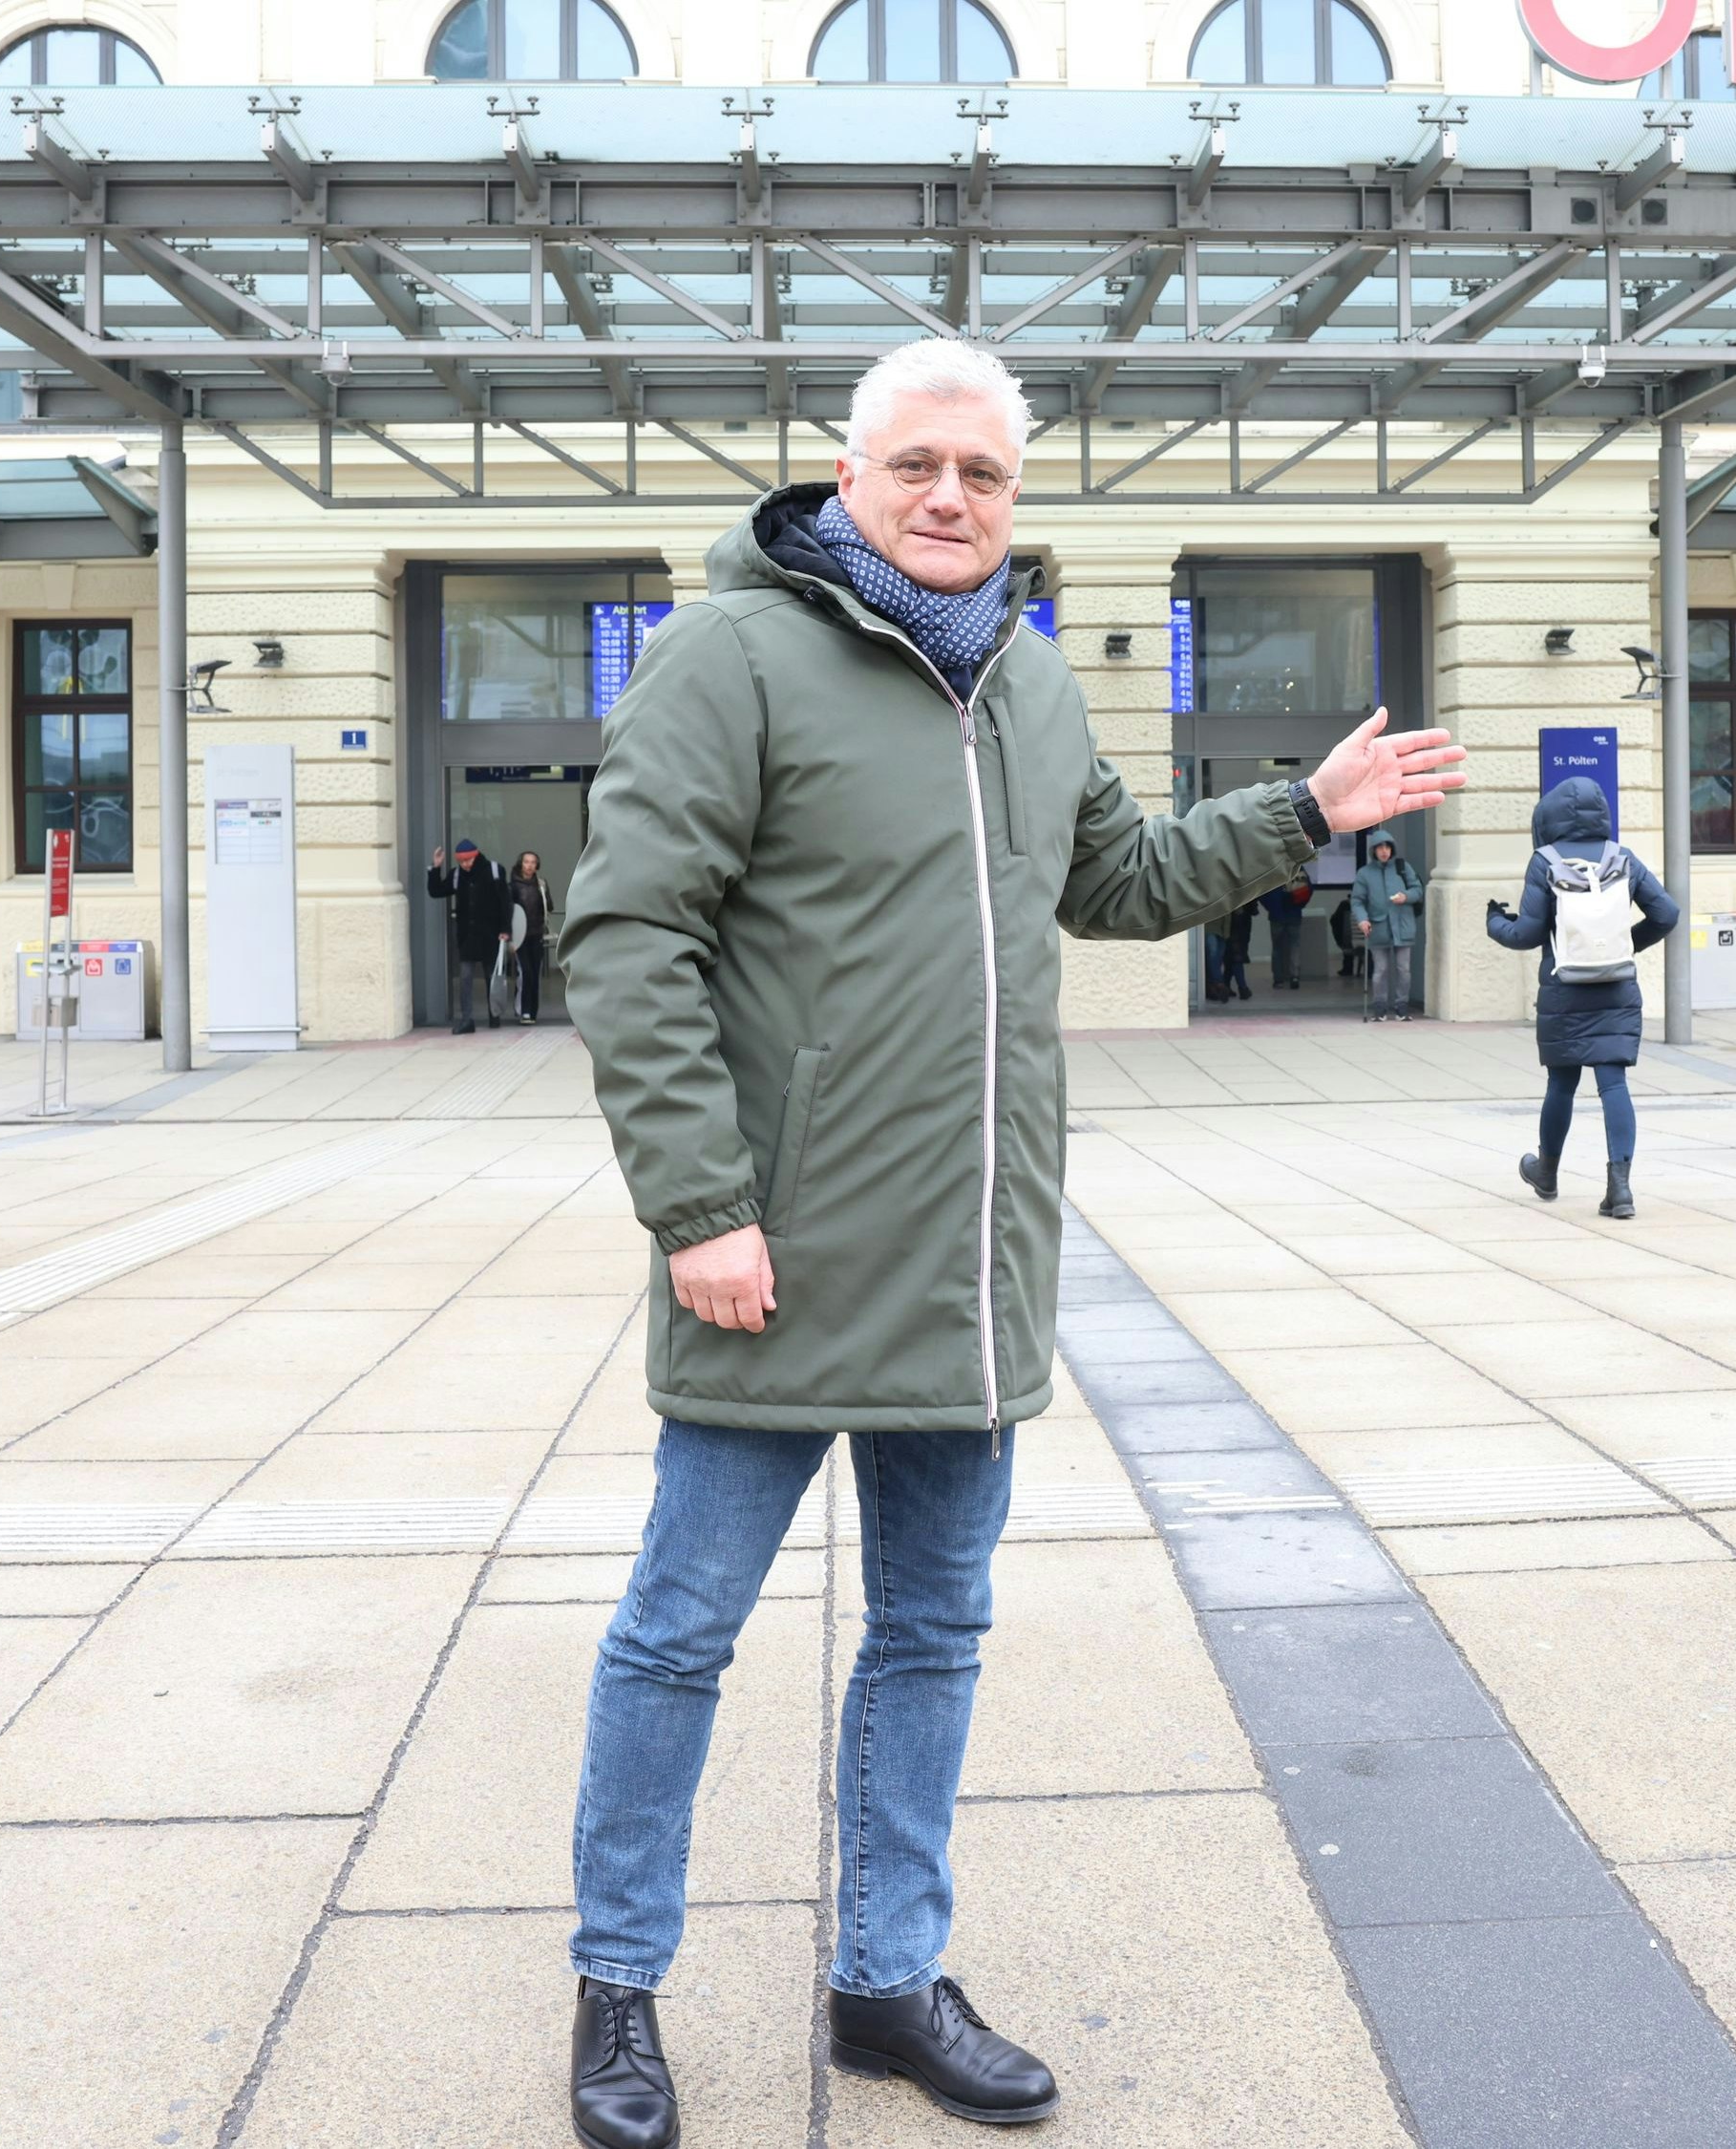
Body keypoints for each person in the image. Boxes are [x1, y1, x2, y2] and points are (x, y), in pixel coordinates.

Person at [558, 336, 1462, 2149]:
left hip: (968, 1267)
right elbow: (627, 935)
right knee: (678, 1632)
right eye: (917, 468)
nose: (950, 499)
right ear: (849, 473)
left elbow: (1116, 881)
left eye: (983, 472)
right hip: (775, 1260)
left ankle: (889, 1980)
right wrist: (702, 1207)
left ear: (1016, 494)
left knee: (932, 1636)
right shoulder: (729, 656)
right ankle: (617, 1988)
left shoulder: (1027, 685)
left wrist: (1302, 814)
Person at [1489, 776, 1680, 1220]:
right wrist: (1625, 942)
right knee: (1614, 1084)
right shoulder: (1623, 858)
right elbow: (1667, 913)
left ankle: (1547, 1173)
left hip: (1564, 989)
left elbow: (1526, 933)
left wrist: (1494, 922)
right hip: (1616, 986)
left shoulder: (1545, 861)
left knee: (1562, 1084)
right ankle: (1620, 1187)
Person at [426, 839, 510, 1034]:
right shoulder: (456, 875)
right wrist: (435, 868)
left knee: (492, 977)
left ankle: (494, 1015)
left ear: (476, 855)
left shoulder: (495, 871)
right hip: (467, 937)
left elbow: (506, 903)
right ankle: (467, 1020)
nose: (465, 864)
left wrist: (506, 930)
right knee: (465, 979)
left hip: (491, 935)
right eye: (461, 861)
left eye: (468, 860)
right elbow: (436, 891)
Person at [1352, 833, 1426, 1021]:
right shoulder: (1365, 874)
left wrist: (1406, 897)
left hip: (1403, 925)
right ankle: (1380, 1007)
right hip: (1378, 927)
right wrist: (1362, 920)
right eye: (1380, 848)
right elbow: (1358, 901)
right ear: (1374, 850)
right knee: (1381, 969)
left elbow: (1418, 890)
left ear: (1392, 849)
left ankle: (1402, 1006)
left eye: (1387, 847)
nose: (1384, 852)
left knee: (1403, 969)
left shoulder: (1403, 868)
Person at [506, 849, 553, 1026]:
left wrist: (544, 893)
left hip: (536, 934)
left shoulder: (541, 884)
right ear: (521, 863)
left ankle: (533, 1011)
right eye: (526, 862)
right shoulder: (512, 886)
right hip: (520, 936)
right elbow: (509, 912)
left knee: (534, 974)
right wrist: (510, 936)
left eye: (533, 862)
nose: (529, 865)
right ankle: (524, 1010)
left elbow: (548, 906)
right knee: (525, 973)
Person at [1262, 876, 1310, 989]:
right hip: (1294, 914)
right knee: (1295, 946)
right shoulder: (1297, 867)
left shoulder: (1272, 870)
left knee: (1277, 948)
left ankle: (1278, 979)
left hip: (1276, 915)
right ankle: (1294, 976)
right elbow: (1308, 889)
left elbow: (1262, 893)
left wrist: (1271, 907)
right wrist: (1300, 905)